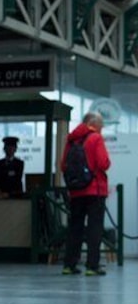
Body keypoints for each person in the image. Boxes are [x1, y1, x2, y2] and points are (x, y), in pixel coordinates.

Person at [61, 111, 111, 276]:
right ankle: (92, 266)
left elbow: (63, 166)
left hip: (76, 191)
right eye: (101, 125)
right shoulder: (95, 138)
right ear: (93, 123)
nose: (102, 128)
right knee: (94, 228)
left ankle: (69, 265)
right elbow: (103, 163)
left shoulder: (71, 140)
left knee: (75, 227)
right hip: (94, 189)